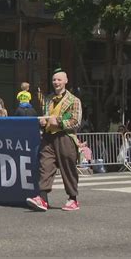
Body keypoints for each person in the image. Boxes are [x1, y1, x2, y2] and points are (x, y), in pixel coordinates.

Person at [26, 70, 82, 212]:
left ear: (65, 81)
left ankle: (72, 198)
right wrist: (43, 122)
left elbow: (76, 122)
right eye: (54, 80)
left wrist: (59, 122)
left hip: (65, 137)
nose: (56, 82)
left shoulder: (74, 100)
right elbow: (46, 116)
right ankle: (43, 198)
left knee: (68, 168)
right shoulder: (48, 99)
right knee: (45, 166)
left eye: (59, 80)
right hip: (48, 137)